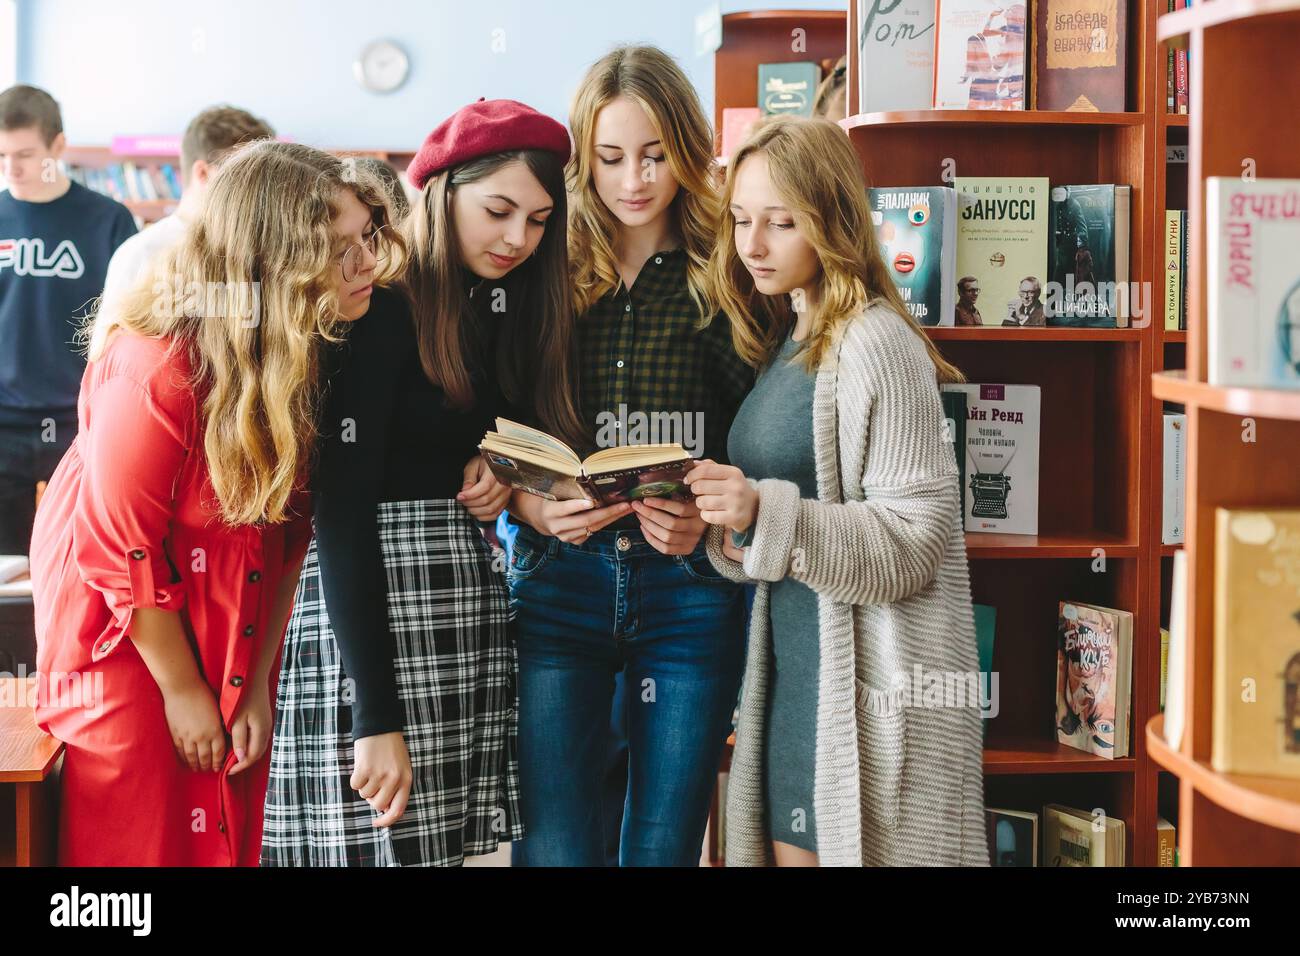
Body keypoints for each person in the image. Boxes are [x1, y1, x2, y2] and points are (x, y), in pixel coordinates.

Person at [29, 140, 385, 865]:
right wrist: (185, 690)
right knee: (138, 837)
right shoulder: (155, 363)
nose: (369, 264)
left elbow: (290, 539)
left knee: (223, 830)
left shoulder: (302, 344)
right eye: (342, 249)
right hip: (127, 641)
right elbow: (115, 549)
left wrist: (254, 685)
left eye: (367, 239)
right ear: (276, 259)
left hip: (228, 622)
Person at [262, 99, 584, 867]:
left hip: (457, 606)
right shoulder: (375, 311)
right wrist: (374, 714)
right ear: (440, 193)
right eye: (499, 210)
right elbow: (340, 518)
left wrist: (499, 468)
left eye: (539, 221)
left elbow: (495, 429)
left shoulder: (504, 307)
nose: (518, 239)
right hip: (372, 615)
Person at [689, 115, 988, 866]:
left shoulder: (877, 343)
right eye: (742, 219)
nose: (752, 244)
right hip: (796, 689)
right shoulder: (787, 336)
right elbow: (780, 536)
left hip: (864, 701)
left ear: (832, 220)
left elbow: (915, 542)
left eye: (781, 222)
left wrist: (762, 511)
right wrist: (720, 526)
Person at [508, 45, 752, 867]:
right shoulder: (542, 263)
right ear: (583, 158)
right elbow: (495, 432)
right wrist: (529, 504)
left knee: (662, 845)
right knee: (554, 845)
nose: (635, 180)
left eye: (656, 156)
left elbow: (767, 438)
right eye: (610, 158)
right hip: (558, 579)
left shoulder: (732, 267)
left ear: (687, 150)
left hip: (688, 591)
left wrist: (712, 525)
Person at [0, 84, 136, 553]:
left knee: (81, 560)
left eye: (23, 154)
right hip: (4, 422)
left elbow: (129, 323)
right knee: (7, 574)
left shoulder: (109, 220)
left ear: (58, 146)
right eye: (0, 155)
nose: (10, 168)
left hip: (82, 419)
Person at [101, 104, 274, 302]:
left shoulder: (260, 251)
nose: (260, 189)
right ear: (203, 173)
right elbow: (111, 333)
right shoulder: (141, 254)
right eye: (247, 176)